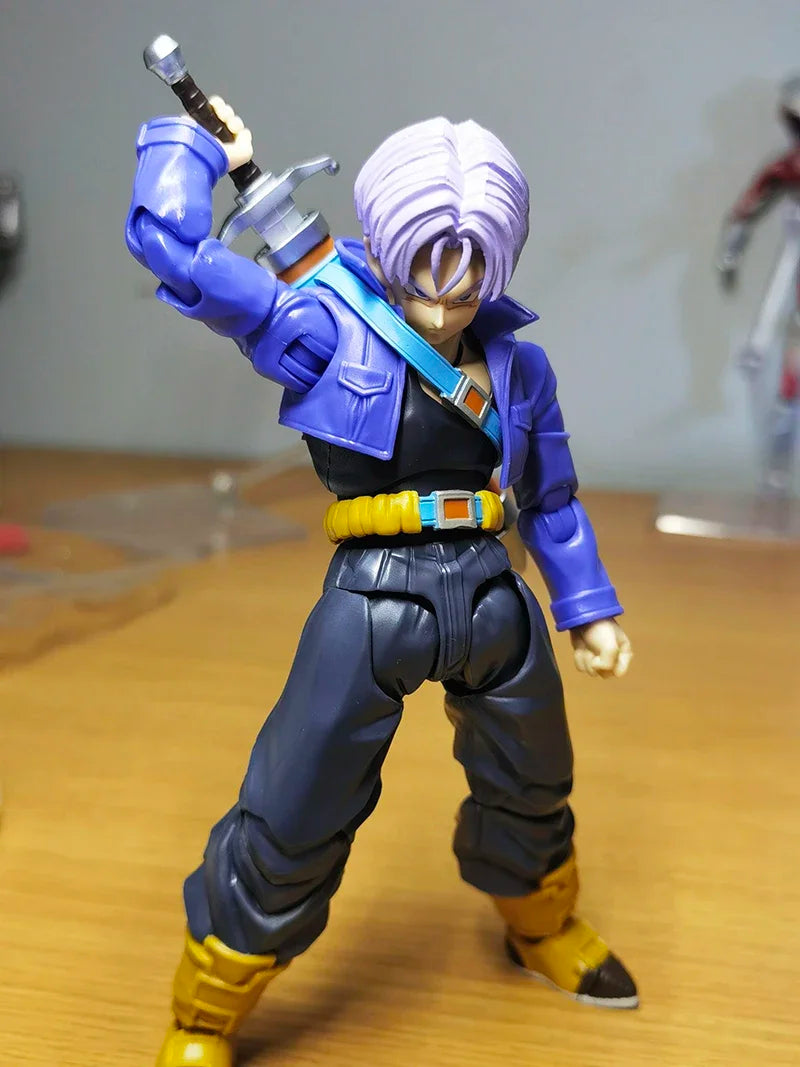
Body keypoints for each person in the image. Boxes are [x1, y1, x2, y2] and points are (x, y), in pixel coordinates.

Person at [126, 100, 637, 1067]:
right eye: (424, 270)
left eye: (469, 274)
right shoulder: (326, 332)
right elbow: (180, 258)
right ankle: (207, 1004)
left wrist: (587, 609)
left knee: (533, 778)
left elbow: (554, 497)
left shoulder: (519, 369)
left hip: (490, 592)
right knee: (296, 802)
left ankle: (541, 923)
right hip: (371, 599)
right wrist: (193, 148)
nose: (445, 300)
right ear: (390, 253)